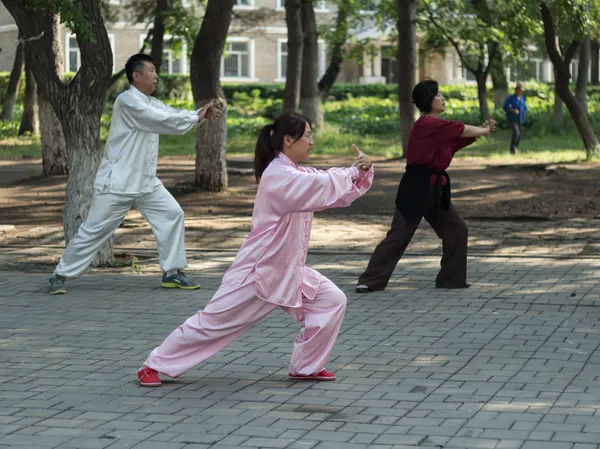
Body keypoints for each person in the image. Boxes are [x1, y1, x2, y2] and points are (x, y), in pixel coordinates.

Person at [137, 112, 374, 387]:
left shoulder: (294, 171)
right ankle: (154, 364)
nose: (312, 142)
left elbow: (331, 189)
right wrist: (353, 171)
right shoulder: (279, 175)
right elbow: (320, 186)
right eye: (308, 135)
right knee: (213, 322)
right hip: (259, 270)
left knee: (331, 301)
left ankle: (306, 367)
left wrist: (362, 171)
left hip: (287, 268)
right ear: (288, 140)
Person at [48, 53, 222, 295]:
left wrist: (200, 116)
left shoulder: (151, 102)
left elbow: (170, 116)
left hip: (146, 181)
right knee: (94, 230)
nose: (156, 75)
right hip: (118, 182)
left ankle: (172, 272)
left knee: (172, 214)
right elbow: (160, 120)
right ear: (136, 76)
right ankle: (60, 274)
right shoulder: (127, 101)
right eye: (151, 70)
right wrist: (197, 115)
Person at [355, 79, 496, 293]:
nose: (443, 98)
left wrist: (481, 130)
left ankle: (451, 279)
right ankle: (370, 280)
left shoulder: (438, 128)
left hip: (435, 189)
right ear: (429, 100)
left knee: (457, 230)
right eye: (439, 95)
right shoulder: (427, 124)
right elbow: (458, 129)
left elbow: (456, 138)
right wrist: (482, 131)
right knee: (399, 235)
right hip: (416, 186)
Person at [503, 82, 527, 154]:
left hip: (520, 119)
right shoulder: (510, 98)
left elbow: (524, 107)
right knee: (516, 133)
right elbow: (505, 107)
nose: (522, 92)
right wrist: (512, 110)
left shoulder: (522, 98)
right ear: (516, 90)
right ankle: (512, 149)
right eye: (521, 90)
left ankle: (516, 147)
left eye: (523, 91)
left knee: (519, 135)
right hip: (512, 119)